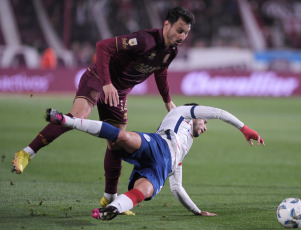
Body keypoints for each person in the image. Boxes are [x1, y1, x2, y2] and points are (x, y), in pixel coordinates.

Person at [12, 7, 195, 213]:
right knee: (79, 116)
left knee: (117, 140)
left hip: (119, 92)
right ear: (167, 24)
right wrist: (107, 83)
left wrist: (168, 102)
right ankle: (27, 153)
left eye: (186, 32)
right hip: (100, 78)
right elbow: (103, 47)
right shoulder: (145, 40)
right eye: (179, 30)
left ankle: (110, 198)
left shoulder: (171, 51)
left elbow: (160, 71)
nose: (182, 36)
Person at [44, 103, 264, 220]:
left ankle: (112, 209)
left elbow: (176, 186)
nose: (205, 126)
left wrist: (197, 211)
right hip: (158, 143)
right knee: (121, 137)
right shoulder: (183, 113)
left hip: (162, 166)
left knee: (144, 192)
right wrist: (245, 129)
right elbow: (218, 112)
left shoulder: (186, 147)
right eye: (204, 122)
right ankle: (68, 121)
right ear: (196, 116)